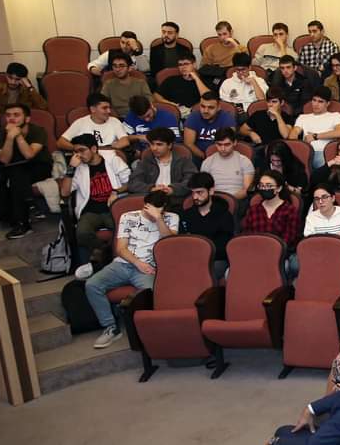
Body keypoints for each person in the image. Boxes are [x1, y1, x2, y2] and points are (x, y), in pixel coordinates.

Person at [85, 190, 178, 348]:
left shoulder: (171, 218)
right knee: (92, 284)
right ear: (145, 205)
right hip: (124, 263)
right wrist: (138, 263)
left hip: (149, 269)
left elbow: (170, 243)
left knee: (152, 294)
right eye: (150, 210)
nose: (152, 215)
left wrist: (158, 219)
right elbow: (121, 248)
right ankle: (110, 327)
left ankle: (152, 332)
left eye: (159, 211)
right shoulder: (128, 217)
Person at [60, 134, 130, 257]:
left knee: (123, 231)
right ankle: (104, 252)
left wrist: (116, 191)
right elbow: (64, 193)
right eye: (75, 152)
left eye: (82, 150)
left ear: (93, 149)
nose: (79, 155)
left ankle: (105, 255)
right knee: (82, 233)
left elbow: (130, 183)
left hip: (112, 208)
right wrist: (71, 169)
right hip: (90, 211)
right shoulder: (78, 167)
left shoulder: (113, 160)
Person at [0, 103, 52, 239]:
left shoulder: (37, 130)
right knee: (16, 175)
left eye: (16, 115)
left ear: (27, 119)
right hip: (15, 169)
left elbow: (29, 155)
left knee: (17, 176)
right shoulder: (0, 133)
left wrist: (18, 136)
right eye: (8, 115)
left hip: (39, 166)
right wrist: (9, 138)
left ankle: (23, 223)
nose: (11, 118)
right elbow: (4, 160)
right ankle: (28, 206)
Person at [179, 172, 234, 280]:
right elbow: (183, 242)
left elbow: (224, 246)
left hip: (216, 260)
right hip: (191, 259)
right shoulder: (187, 215)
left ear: (211, 191)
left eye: (200, 192)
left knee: (202, 274)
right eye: (193, 193)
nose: (195, 197)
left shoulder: (224, 214)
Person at [127, 127, 197, 201]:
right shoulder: (146, 161)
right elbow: (133, 183)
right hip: (151, 200)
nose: (154, 148)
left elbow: (192, 181)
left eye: (159, 144)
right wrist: (151, 188)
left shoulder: (183, 161)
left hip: (176, 201)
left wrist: (172, 189)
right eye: (152, 144)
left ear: (169, 145)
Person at [242, 169, 299, 249]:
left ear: (279, 188)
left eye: (269, 186)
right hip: (255, 250)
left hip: (280, 252)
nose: (264, 188)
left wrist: (272, 250)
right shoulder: (253, 210)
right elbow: (246, 235)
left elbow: (290, 238)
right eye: (261, 185)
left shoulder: (290, 210)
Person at [291, 86, 340, 170]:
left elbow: (339, 132)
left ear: (328, 103)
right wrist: (297, 144)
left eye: (320, 101)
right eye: (314, 100)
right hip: (305, 151)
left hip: (324, 152)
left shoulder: (335, 116)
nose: (316, 104)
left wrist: (315, 136)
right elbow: (294, 133)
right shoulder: (303, 117)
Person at [58, 93, 130, 152]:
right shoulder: (80, 122)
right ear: (93, 109)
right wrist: (75, 148)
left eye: (109, 108)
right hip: (88, 158)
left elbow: (125, 141)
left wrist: (106, 149)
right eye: (104, 108)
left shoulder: (114, 121)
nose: (109, 111)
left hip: (111, 156)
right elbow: (61, 142)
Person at [200, 127, 254, 200]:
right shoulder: (207, 162)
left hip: (237, 200)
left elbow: (246, 190)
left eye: (227, 144)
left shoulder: (245, 161)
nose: (223, 149)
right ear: (215, 143)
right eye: (219, 144)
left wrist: (230, 200)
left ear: (234, 143)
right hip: (214, 200)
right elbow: (203, 188)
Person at [182, 92, 236, 163]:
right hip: (198, 155)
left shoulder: (227, 119)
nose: (205, 111)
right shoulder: (193, 117)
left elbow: (227, 144)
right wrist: (204, 157)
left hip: (221, 154)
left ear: (218, 107)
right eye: (203, 106)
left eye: (211, 107)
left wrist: (212, 159)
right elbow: (189, 143)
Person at [238, 87, 294, 155]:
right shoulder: (258, 114)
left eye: (274, 102)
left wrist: (277, 115)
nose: (270, 104)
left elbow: (285, 135)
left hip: (276, 151)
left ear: (282, 103)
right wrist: (251, 133)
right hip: (258, 148)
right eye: (268, 101)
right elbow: (241, 130)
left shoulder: (287, 118)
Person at [152, 52, 208, 116]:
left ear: (194, 64)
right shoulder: (171, 80)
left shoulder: (203, 80)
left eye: (186, 64)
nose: (183, 67)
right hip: (174, 113)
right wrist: (171, 104)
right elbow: (156, 95)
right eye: (180, 65)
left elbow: (209, 97)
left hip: (197, 113)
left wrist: (196, 78)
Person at [100, 53, 151, 119]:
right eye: (115, 66)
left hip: (139, 116)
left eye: (121, 66)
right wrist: (116, 118)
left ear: (130, 68)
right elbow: (102, 103)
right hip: (116, 118)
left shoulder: (141, 83)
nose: (117, 69)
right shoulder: (108, 84)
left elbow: (149, 102)